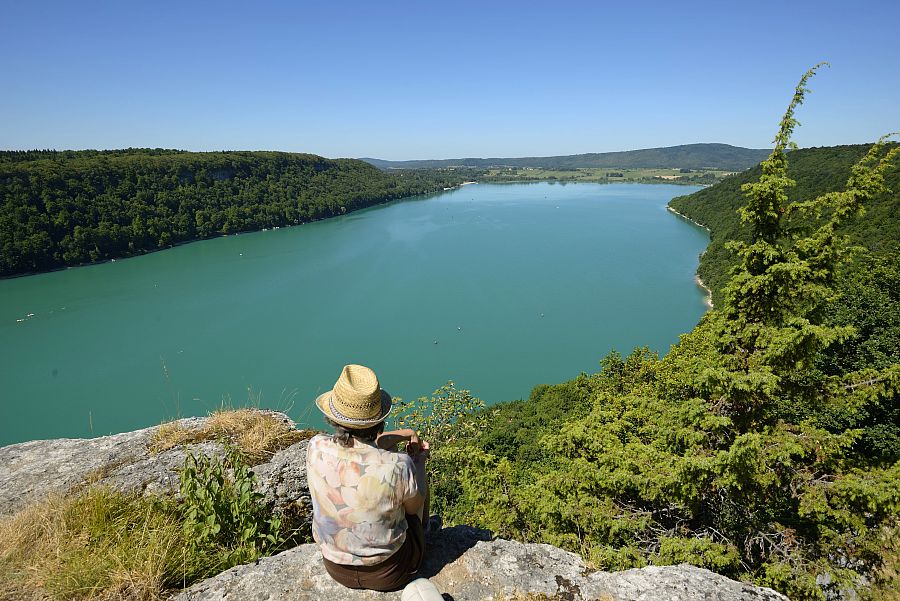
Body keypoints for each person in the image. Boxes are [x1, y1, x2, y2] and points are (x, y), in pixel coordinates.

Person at [306, 364, 433, 591]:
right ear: (378, 420)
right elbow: (414, 508)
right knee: (416, 488)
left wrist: (406, 434)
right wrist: (419, 463)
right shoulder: (398, 465)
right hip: (390, 572)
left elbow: (363, 449)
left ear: (334, 417)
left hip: (335, 568)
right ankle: (427, 535)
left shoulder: (315, 447)